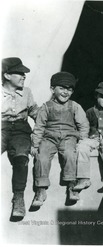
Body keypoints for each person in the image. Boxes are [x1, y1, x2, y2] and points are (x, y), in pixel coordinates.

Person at [31, 72, 89, 207]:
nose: (65, 92)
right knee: (42, 157)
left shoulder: (74, 106)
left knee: (69, 154)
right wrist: (35, 144)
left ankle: (71, 185)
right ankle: (41, 189)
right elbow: (39, 127)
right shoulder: (46, 107)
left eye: (69, 89)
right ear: (52, 89)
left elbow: (83, 124)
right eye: (62, 88)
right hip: (49, 137)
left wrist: (82, 138)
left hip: (69, 137)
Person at [2, 57, 39, 218]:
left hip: (20, 129)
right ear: (7, 76)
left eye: (24, 73)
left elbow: (36, 113)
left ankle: (18, 198)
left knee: (21, 157)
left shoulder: (27, 92)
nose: (24, 76)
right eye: (19, 73)